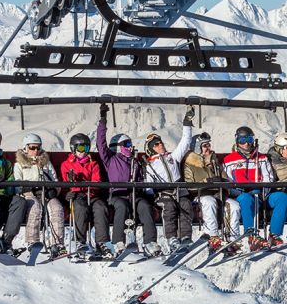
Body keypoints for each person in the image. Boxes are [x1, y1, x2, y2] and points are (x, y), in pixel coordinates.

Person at [96, 104, 153, 257]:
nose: (130, 147)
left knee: (144, 206)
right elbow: (100, 143)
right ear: (118, 147)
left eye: (130, 144)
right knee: (121, 206)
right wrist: (103, 120)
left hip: (134, 195)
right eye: (126, 144)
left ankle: (150, 242)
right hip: (117, 196)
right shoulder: (111, 159)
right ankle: (118, 241)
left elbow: (141, 178)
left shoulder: (135, 162)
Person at [222, 126, 287, 252]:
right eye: (242, 140)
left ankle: (274, 235)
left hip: (262, 195)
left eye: (249, 139)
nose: (246, 143)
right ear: (237, 141)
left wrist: (260, 190)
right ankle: (252, 235)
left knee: (281, 197)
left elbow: (268, 179)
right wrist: (242, 190)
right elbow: (228, 182)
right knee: (246, 198)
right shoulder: (229, 160)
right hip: (242, 196)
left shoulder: (261, 158)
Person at [141, 106, 195, 252]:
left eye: (161, 143)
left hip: (178, 189)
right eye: (157, 145)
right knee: (169, 207)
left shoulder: (172, 157)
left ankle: (185, 237)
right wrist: (151, 195)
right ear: (152, 149)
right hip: (163, 193)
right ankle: (171, 238)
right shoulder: (150, 165)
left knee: (185, 205)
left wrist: (187, 123)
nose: (161, 145)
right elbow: (148, 185)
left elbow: (185, 141)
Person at [183, 132, 241, 255]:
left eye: (208, 145)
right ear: (197, 147)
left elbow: (226, 179)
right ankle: (213, 237)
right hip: (200, 195)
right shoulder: (189, 162)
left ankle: (233, 240)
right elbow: (189, 184)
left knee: (234, 205)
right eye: (204, 145)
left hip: (218, 194)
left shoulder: (214, 161)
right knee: (209, 202)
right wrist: (207, 181)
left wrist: (223, 181)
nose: (208, 148)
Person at [13, 133, 67, 257]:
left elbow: (55, 180)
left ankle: (57, 244)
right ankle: (32, 241)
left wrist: (54, 190)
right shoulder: (19, 164)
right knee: (35, 208)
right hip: (29, 193)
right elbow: (16, 183)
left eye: (38, 148)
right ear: (25, 148)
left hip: (46, 193)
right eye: (32, 148)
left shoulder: (46, 163)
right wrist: (25, 187)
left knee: (57, 208)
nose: (36, 151)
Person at [60, 132, 106, 259]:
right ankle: (79, 242)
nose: (83, 151)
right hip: (76, 196)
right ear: (73, 148)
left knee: (101, 207)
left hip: (92, 194)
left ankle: (101, 242)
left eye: (86, 148)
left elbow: (97, 182)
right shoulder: (66, 164)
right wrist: (69, 191)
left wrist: (83, 184)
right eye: (80, 148)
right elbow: (65, 184)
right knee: (81, 208)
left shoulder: (93, 164)